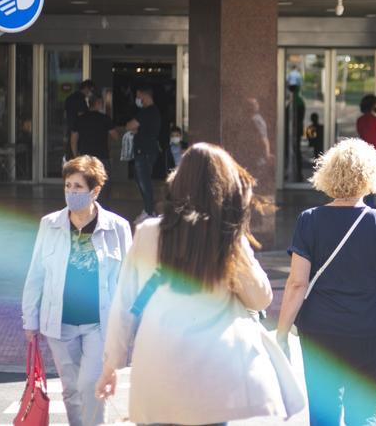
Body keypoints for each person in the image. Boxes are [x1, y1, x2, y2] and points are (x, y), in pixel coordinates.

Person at [96, 144, 282, 425]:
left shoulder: (149, 233)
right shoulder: (227, 238)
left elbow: (125, 304)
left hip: (158, 366)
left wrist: (112, 363)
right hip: (212, 375)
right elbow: (260, 298)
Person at [276, 139, 376, 426]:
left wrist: (280, 332)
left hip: (320, 330)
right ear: (371, 175)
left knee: (324, 413)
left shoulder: (309, 220)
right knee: (364, 413)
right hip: (369, 329)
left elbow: (296, 284)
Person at [21, 156, 133, 426]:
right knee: (71, 389)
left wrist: (128, 327)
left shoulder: (117, 228)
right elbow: (36, 274)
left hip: (99, 323)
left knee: (90, 385)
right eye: (68, 186)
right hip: (59, 323)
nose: (71, 192)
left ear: (95, 191)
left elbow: (129, 282)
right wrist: (30, 319)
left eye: (78, 187)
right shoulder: (50, 225)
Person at [126, 87, 161, 220]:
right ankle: (148, 209)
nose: (137, 99)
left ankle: (149, 210)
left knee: (144, 181)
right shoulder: (154, 111)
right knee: (141, 179)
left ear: (144, 96)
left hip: (145, 151)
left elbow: (130, 125)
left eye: (138, 96)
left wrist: (133, 128)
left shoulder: (147, 111)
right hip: (147, 151)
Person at [71, 96, 115, 164]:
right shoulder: (105, 118)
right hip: (102, 156)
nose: (102, 105)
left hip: (85, 157)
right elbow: (115, 136)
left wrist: (76, 156)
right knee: (101, 174)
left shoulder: (80, 119)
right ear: (98, 103)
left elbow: (73, 140)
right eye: (101, 103)